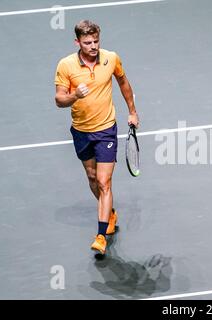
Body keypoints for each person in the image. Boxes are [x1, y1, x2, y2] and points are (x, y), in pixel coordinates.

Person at [55, 20, 139, 255]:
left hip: (106, 130)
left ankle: (101, 235)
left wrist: (132, 111)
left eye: (96, 41)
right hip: (81, 130)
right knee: (92, 178)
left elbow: (123, 81)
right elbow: (59, 100)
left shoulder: (110, 58)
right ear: (77, 42)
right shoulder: (66, 65)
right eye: (87, 42)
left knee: (104, 182)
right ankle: (110, 213)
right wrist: (74, 95)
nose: (93, 46)